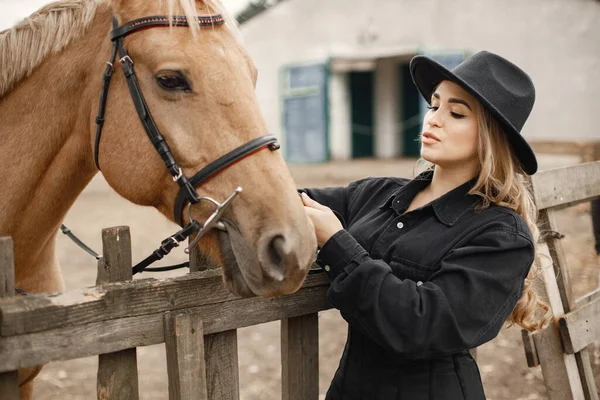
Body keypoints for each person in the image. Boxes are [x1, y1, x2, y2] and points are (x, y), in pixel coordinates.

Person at [300, 51, 551, 399]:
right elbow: (284, 202)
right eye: (434, 106)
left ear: (491, 138)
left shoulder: (501, 235)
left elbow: (420, 326)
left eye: (457, 113)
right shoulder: (377, 193)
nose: (433, 120)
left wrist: (336, 243)